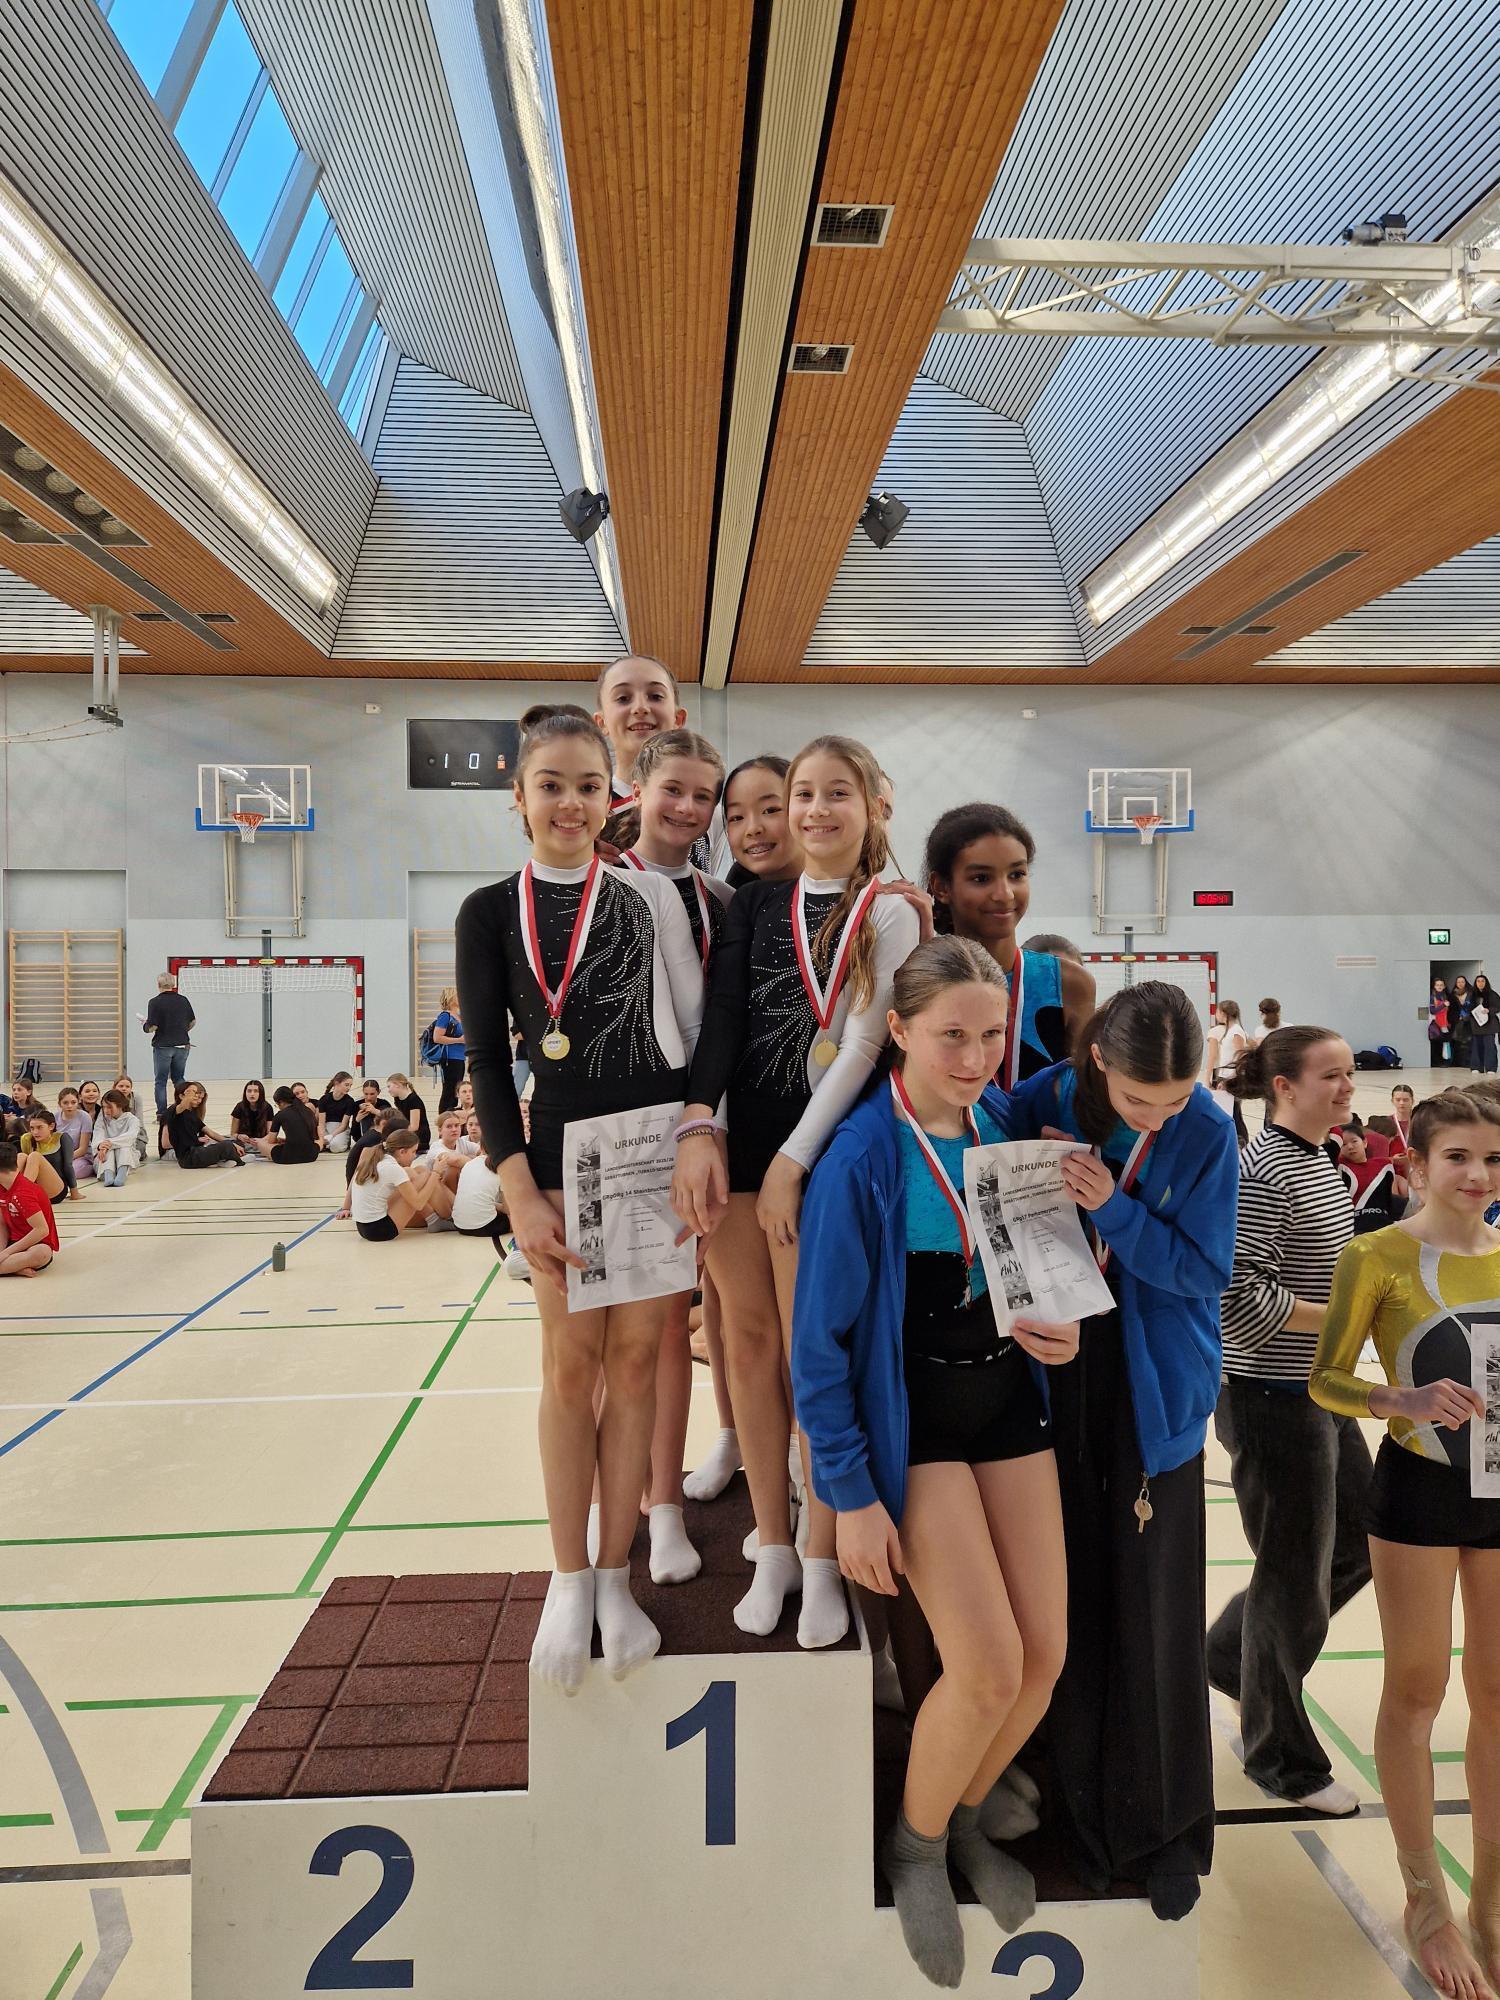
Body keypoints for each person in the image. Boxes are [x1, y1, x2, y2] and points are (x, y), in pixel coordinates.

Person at [794, 937, 1077, 1984]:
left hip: (1005, 1401)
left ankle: (962, 1818)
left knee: (1043, 1658)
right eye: (951, 1034)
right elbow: (818, 1351)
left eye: (991, 1035)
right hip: (914, 1423)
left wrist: (1061, 1330)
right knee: (988, 1663)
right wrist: (852, 1496)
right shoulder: (862, 1158)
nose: (973, 1056)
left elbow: (1043, 1274)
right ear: (900, 1030)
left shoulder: (1006, 1127)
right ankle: (913, 1848)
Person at [456, 710, 704, 1691]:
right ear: (518, 797)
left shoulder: (649, 896)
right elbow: (485, 1061)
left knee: (638, 1363)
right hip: (560, 1160)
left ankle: (614, 1571)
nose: (569, 802)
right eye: (550, 784)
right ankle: (568, 1576)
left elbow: (690, 1033)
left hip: (650, 1153)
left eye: (588, 785)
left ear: (614, 798)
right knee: (571, 1368)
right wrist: (518, 1187)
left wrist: (697, 1140)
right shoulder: (488, 911)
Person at [674, 734, 921, 1647]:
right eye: (803, 794)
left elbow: (862, 1045)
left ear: (873, 806)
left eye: (833, 794)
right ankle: (771, 1543)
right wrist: (703, 1127)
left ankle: (821, 1555)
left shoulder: (889, 909)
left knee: (815, 1350)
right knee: (746, 1342)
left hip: (825, 1156)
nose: (815, 811)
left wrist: (793, 1162)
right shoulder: (754, 902)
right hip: (748, 1144)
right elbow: (724, 1021)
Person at [999, 981, 1238, 1919]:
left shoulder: (1205, 1131)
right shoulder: (1039, 1099)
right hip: (1051, 1371)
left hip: (1154, 1385)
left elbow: (1203, 1270)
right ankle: (1079, 1821)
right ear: (1098, 1060)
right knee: (1068, 1603)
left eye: (1176, 1099)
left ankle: (1164, 1831)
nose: (1160, 1116)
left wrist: (1115, 1210)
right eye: (1142, 1100)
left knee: (1155, 1610)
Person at [1310, 1089, 1500, 1999]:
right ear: (1416, 1165)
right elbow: (1327, 1380)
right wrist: (1404, 1400)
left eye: (1494, 1159)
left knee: (1498, 1694)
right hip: (1419, 1493)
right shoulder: (1376, 1255)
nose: (1479, 1175)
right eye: (1459, 1156)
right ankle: (1427, 1900)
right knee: (1418, 1691)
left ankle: (1491, 1899)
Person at [1209, 1026, 1366, 1814]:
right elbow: (1240, 1296)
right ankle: (1280, 1758)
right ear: (1284, 1087)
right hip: (1271, 1400)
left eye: (1349, 1074)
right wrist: (1346, 1314)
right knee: (1293, 1580)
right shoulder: (1265, 1171)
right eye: (1331, 1075)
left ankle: (1229, 1655)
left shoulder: (1319, 1162)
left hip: (1321, 1391)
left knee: (1360, 1542)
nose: (1348, 1087)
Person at [620, 726, 736, 1584]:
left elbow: (716, 1028)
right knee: (625, 1332)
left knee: (693, 1315)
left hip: (701, 1126)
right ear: (638, 788)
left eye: (705, 796)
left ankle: (683, 1487)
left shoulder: (722, 899)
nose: (690, 808)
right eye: (675, 790)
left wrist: (708, 1125)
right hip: (615, 1130)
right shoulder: (601, 883)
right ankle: (636, 1497)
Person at [923, 803, 1096, 1082]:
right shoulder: (920, 982)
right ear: (942, 887)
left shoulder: (1069, 983)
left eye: (1016, 875)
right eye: (981, 878)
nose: (1004, 894)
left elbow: (1082, 1094)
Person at [350, 1127, 454, 1239]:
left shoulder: (378, 1160)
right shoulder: (393, 1168)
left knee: (420, 1171)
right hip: (381, 1230)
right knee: (427, 1175)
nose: (415, 1156)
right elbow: (418, 1204)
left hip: (363, 1227)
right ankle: (447, 1217)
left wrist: (428, 1173)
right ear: (402, 1152)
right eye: (413, 1151)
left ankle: (435, 1219)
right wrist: (436, 1172)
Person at [720, 754, 797, 888]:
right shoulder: (737, 889)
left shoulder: (836, 886)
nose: (753, 829)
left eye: (770, 810)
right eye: (737, 817)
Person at [1337, 1116, 1410, 1233]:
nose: (1350, 1147)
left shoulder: (1384, 1165)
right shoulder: (1340, 1167)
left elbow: (1389, 1198)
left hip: (1383, 1223)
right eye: (1344, 1144)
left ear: (1365, 1142)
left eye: (1354, 1141)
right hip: (1355, 1228)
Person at [142, 971, 195, 1130]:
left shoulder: (155, 1002)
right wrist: (181, 1031)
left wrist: (145, 1026)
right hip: (182, 1045)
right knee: (179, 1078)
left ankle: (162, 1114)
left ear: (158, 985)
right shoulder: (183, 1000)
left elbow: (153, 1026)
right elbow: (192, 1022)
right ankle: (185, 1109)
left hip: (163, 1046)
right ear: (173, 984)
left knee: (161, 1081)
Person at [338, 1109, 409, 1221]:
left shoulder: (376, 1136)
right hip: (364, 1196)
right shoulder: (372, 1142)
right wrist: (346, 1207)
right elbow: (356, 1175)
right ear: (384, 1124)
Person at [0, 1139, 58, 1275]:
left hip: (35, 1243)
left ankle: (11, 1267)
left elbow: (41, 1230)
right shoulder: (2, 1187)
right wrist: (1, 1251)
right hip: (12, 1241)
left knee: (41, 1253)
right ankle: (14, 1269)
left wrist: (7, 1253)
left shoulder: (23, 1193)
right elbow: (1, 1224)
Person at [166, 1082, 245, 1169]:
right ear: (181, 1096)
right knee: (226, 1146)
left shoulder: (192, 1115)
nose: (198, 1099)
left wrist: (233, 1143)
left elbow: (211, 1133)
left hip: (198, 1151)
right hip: (189, 1158)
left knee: (235, 1142)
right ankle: (240, 1160)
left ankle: (225, 1160)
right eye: (193, 1094)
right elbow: (181, 1106)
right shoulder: (174, 1110)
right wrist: (188, 1096)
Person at [1205, 1000, 1251, 1146]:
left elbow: (1240, 1058)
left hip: (1232, 1078)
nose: (1216, 1015)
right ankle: (1236, 1142)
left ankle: (1242, 1142)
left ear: (1223, 1013)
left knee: (1235, 1114)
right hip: (1225, 1076)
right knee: (1230, 1112)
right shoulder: (1229, 1031)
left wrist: (1230, 1081)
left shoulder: (1236, 1031)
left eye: (1217, 1012)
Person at [21, 1107, 82, 1201]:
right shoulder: (27, 1139)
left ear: (51, 1126)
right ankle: (9, 1194)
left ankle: (22, 1194)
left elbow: (68, 1166)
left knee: (35, 1156)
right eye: (32, 1128)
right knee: (21, 1156)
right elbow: (25, 1167)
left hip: (56, 1189)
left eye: (39, 1127)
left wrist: (74, 1193)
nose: (35, 1132)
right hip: (35, 1187)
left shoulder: (62, 1138)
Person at [91, 1090, 142, 1187]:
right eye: (104, 1107)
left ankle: (122, 1173)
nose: (106, 1110)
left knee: (124, 1147)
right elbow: (98, 1134)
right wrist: (101, 1145)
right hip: (104, 1155)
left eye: (109, 1107)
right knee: (108, 1150)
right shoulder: (102, 1118)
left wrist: (109, 1143)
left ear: (120, 1105)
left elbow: (130, 1137)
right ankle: (108, 1174)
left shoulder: (132, 1120)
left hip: (126, 1155)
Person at [431, 991, 466, 1115]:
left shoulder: (458, 1016)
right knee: (449, 1091)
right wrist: (459, 1040)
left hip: (460, 1058)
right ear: (451, 998)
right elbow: (437, 1037)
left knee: (455, 1091)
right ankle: (444, 1118)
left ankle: (452, 1116)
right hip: (450, 1058)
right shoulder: (445, 1016)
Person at [265, 1085, 320, 1164]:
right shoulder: (307, 1111)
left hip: (289, 1157)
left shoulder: (280, 1115)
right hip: (311, 1155)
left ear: (281, 1102)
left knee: (261, 1143)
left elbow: (271, 1141)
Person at [55, 1087, 96, 1180]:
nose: (69, 1106)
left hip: (81, 1156)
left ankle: (93, 1167)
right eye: (65, 1103)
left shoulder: (84, 1117)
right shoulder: (55, 1117)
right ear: (60, 1104)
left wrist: (66, 1159)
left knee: (73, 1172)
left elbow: (83, 1149)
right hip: (61, 1156)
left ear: (78, 1102)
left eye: (73, 1102)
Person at [386, 1073, 432, 1153]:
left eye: (389, 1086)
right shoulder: (398, 1098)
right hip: (408, 1132)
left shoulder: (413, 1100)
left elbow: (414, 1127)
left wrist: (397, 1134)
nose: (388, 1090)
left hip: (419, 1136)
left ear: (397, 1085)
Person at [317, 1071, 358, 1152]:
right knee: (319, 1145)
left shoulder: (349, 1101)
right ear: (336, 1083)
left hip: (340, 1130)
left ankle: (342, 1142)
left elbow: (344, 1125)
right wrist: (322, 1137)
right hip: (326, 1127)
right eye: (346, 1085)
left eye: (350, 1085)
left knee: (335, 1147)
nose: (349, 1088)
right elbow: (321, 1123)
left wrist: (332, 1135)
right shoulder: (324, 1099)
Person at [112, 1073, 149, 1163]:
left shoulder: (136, 1098)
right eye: (121, 1086)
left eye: (127, 1086)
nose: (124, 1089)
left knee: (138, 1150)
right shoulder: (109, 1098)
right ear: (114, 1087)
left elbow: (139, 1122)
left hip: (135, 1133)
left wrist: (130, 1137)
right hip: (116, 1133)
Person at [230, 1080, 274, 1148]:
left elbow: (270, 1134)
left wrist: (260, 1141)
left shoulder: (267, 1107)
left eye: (256, 1091)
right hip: (243, 1142)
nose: (252, 1094)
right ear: (245, 1093)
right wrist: (239, 1136)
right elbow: (233, 1134)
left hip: (262, 1142)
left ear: (261, 1093)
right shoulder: (239, 1107)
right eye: (249, 1091)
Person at [1470, 973, 1498, 1076]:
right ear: (1475, 983)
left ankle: (1491, 1068)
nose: (1480, 983)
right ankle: (1476, 1067)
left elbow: (1497, 1007)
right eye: (1478, 981)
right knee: (1476, 1047)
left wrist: (1489, 1010)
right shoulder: (1472, 994)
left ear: (1486, 983)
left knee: (1489, 1046)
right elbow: (1467, 1007)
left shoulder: (1492, 994)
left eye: (1482, 981)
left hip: (1489, 1025)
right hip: (1476, 1024)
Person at [1391, 1084, 1418, 1167]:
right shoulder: (1386, 1123)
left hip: (1416, 1167)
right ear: (1392, 1101)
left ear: (1412, 1101)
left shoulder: (1419, 1122)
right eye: (1398, 1100)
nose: (1401, 1103)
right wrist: (1391, 1159)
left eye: (1405, 1100)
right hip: (1394, 1169)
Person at [1431, 979, 1454, 1070]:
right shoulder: (1432, 997)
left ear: (1444, 986)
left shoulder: (1445, 996)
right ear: (1434, 986)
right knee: (1437, 1043)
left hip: (1444, 1024)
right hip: (1436, 1023)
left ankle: (1446, 1061)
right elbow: (1432, 1011)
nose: (1439, 986)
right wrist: (1443, 1005)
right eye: (1437, 985)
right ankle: (1436, 1062)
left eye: (1441, 985)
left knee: (1446, 1043)